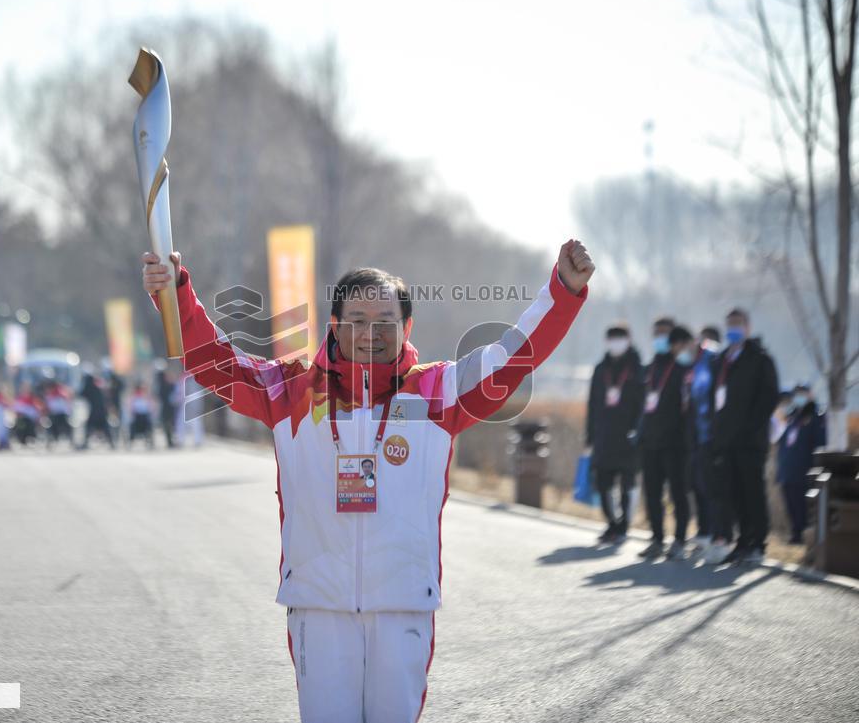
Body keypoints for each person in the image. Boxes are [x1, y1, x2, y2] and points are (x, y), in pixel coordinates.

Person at [142, 239, 594, 723]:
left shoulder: (437, 392)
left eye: (385, 322)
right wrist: (175, 295)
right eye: (356, 320)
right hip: (318, 604)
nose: (370, 332)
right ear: (335, 326)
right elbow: (212, 360)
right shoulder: (290, 389)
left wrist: (563, 290)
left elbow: (512, 356)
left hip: (402, 604)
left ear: (407, 328)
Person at [709, 308, 779, 565]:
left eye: (738, 324)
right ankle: (742, 540)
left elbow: (769, 397)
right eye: (729, 324)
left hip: (750, 441)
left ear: (748, 327)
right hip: (726, 441)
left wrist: (749, 428)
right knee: (733, 493)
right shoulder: (722, 360)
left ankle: (758, 543)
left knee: (753, 492)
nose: (733, 329)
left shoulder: (760, 359)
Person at [638, 322, 692, 560]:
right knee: (652, 493)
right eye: (655, 333)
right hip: (651, 441)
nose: (659, 338)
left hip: (675, 443)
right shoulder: (650, 368)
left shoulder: (682, 369)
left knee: (678, 493)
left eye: (663, 334)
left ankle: (679, 540)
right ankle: (657, 539)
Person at [585, 323, 644, 543]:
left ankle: (623, 527)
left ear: (628, 340)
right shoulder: (601, 369)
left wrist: (638, 432)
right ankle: (612, 523)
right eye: (611, 338)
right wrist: (590, 436)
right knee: (603, 484)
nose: (615, 342)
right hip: (604, 437)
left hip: (628, 439)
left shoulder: (638, 368)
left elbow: (642, 405)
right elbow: (592, 404)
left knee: (627, 484)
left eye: (620, 338)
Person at [684, 326, 721, 559]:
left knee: (712, 488)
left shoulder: (713, 361)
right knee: (698, 485)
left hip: (713, 435)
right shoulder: (693, 365)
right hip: (697, 435)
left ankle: (718, 535)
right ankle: (705, 531)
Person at [776, 384, 826, 544]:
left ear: (810, 395)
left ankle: (805, 535)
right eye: (797, 395)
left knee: (803, 505)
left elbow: (820, 442)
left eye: (803, 395)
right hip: (788, 471)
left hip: (804, 470)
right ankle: (796, 533)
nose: (799, 398)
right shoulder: (792, 418)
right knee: (791, 503)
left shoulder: (816, 417)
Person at [79, 372, 115, 450]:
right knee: (105, 428)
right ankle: (112, 443)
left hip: (96, 412)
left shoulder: (90, 387)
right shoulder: (99, 387)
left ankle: (85, 443)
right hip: (102, 412)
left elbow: (81, 394)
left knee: (91, 427)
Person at [44, 380, 75, 448]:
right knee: (51, 426)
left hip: (61, 414)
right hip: (55, 415)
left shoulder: (60, 394)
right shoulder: (51, 394)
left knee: (66, 427)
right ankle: (52, 441)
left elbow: (66, 404)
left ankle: (71, 441)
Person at [128, 381, 155, 449]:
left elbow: (151, 407)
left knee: (149, 425)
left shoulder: (147, 397)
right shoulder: (133, 397)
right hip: (137, 417)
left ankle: (149, 441)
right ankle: (131, 441)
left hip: (145, 416)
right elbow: (130, 408)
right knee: (132, 426)